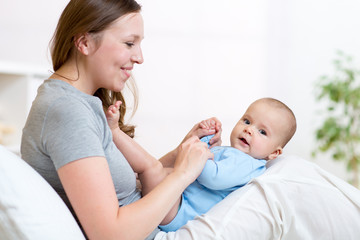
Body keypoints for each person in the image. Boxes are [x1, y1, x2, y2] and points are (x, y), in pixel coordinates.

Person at [20, 0, 222, 239]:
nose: (139, 57)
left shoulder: (79, 103)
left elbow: (120, 183)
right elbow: (109, 233)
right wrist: (183, 174)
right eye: (129, 43)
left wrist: (183, 152)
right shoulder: (67, 111)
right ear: (84, 42)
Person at [106, 97, 297, 232]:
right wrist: (204, 140)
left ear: (275, 153)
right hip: (178, 198)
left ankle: (115, 132)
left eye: (262, 132)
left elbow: (213, 178)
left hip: (180, 212)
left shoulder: (249, 165)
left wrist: (198, 149)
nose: (249, 130)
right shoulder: (232, 153)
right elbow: (201, 164)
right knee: (156, 170)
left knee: (151, 168)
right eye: (247, 121)